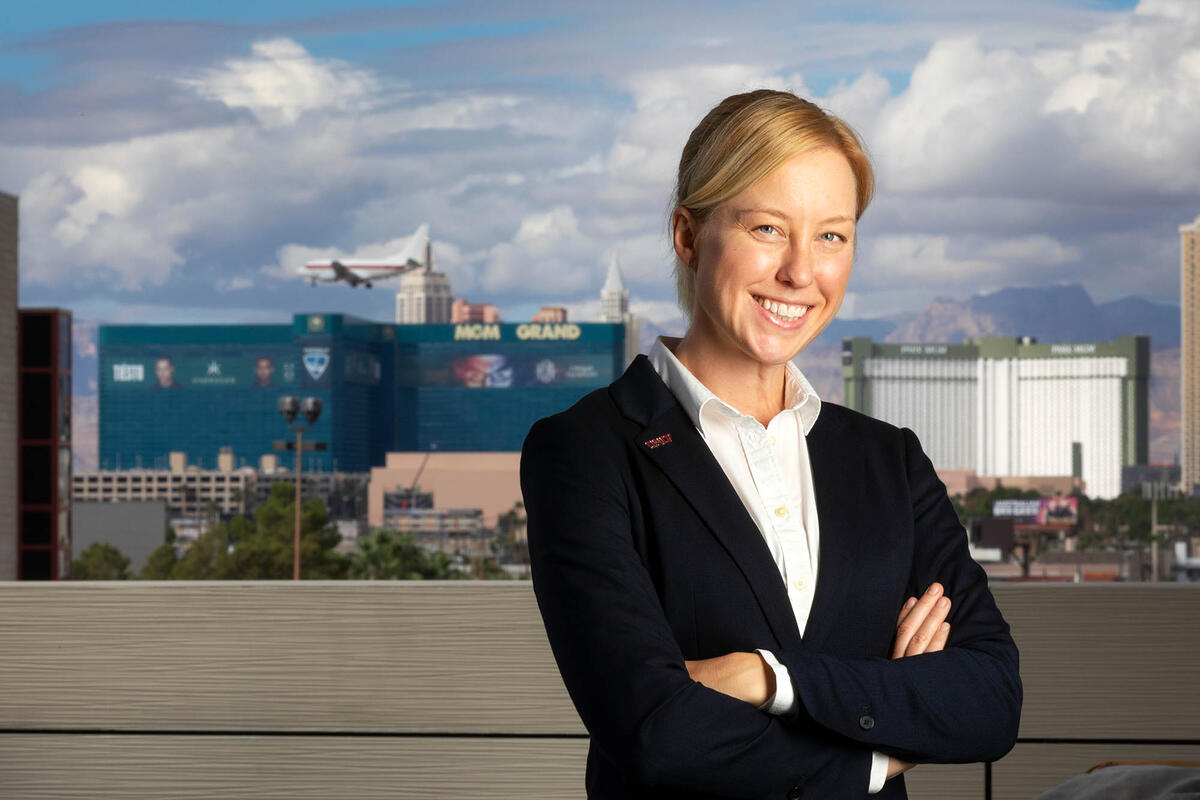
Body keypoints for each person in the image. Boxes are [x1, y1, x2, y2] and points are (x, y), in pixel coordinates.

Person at [520, 90, 1021, 799]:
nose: (800, 272)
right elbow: (654, 730)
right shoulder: (585, 452)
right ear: (688, 236)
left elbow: (990, 699)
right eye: (767, 228)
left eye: (831, 237)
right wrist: (879, 749)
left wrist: (768, 677)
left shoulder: (889, 462)